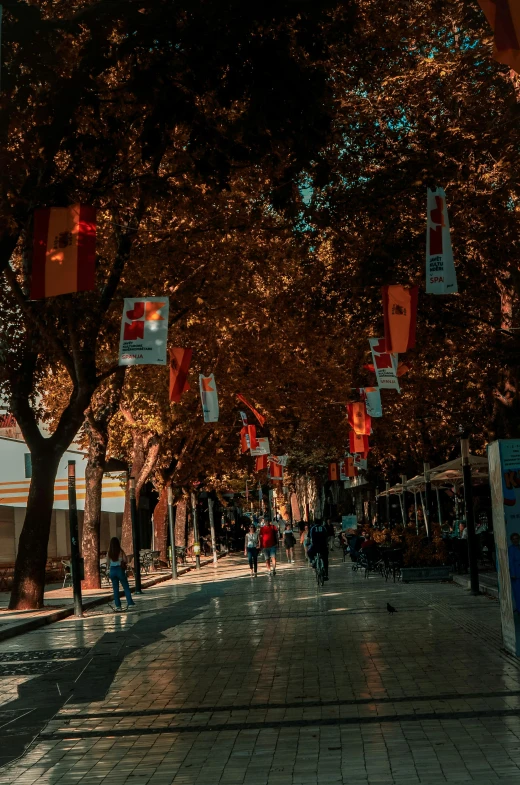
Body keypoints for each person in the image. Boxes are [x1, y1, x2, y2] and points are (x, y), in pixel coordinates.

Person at [106, 537, 135, 612]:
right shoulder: (120, 551)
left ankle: (118, 605)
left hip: (112, 570)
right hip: (119, 570)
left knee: (115, 589)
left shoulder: (109, 552)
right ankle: (130, 602)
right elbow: (126, 560)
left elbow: (108, 563)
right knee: (125, 587)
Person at [509, 532, 520, 613]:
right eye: (514, 539)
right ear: (511, 540)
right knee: (517, 593)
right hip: (516, 574)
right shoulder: (511, 549)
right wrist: (512, 574)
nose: (515, 540)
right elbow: (510, 562)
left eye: (517, 538)